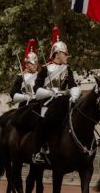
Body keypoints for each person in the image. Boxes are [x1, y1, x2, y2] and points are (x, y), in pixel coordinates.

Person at [31, 26, 79, 164]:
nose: (66, 56)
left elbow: (73, 84)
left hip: (64, 101)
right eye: (65, 54)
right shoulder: (45, 69)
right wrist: (51, 92)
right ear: (57, 54)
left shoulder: (67, 69)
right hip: (48, 102)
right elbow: (37, 88)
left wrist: (74, 95)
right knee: (43, 121)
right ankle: (38, 150)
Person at [9, 39, 39, 106]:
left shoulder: (39, 75)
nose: (35, 66)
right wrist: (25, 97)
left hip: (39, 104)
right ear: (26, 65)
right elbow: (13, 94)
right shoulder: (21, 77)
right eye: (32, 64)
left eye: (36, 64)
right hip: (25, 105)